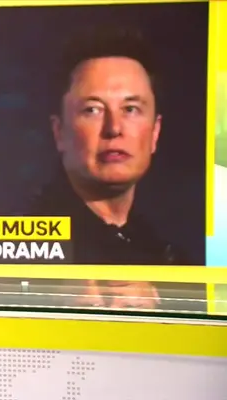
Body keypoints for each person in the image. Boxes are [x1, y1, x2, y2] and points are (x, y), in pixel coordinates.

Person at [29, 27, 189, 265]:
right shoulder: (24, 246)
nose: (114, 128)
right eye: (93, 110)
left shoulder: (168, 258)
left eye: (130, 109)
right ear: (59, 131)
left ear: (155, 132)